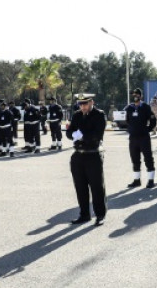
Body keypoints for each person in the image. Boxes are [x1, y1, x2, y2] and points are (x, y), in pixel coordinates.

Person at [66, 95, 107, 225]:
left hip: (93, 154)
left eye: (85, 104)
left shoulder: (99, 115)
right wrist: (73, 134)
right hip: (78, 155)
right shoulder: (77, 115)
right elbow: (69, 132)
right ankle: (84, 214)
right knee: (80, 186)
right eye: (81, 104)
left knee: (96, 187)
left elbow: (97, 134)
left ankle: (100, 214)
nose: (83, 106)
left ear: (91, 102)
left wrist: (81, 136)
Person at [124, 88, 157, 188]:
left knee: (148, 158)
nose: (135, 96)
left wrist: (148, 129)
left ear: (141, 96)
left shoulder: (146, 107)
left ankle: (150, 180)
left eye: (137, 95)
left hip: (144, 137)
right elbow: (127, 120)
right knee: (135, 159)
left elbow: (153, 120)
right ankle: (137, 180)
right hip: (133, 138)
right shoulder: (129, 108)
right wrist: (131, 129)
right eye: (134, 95)